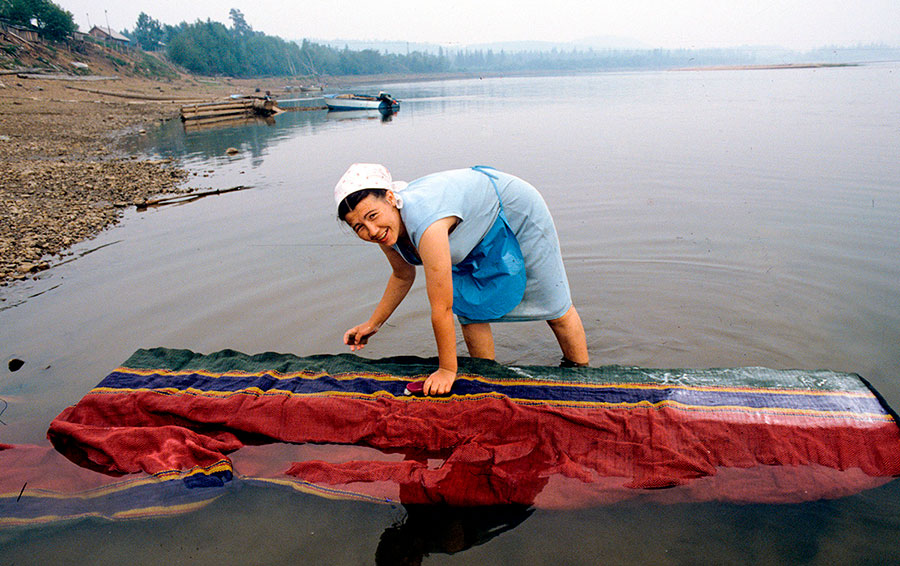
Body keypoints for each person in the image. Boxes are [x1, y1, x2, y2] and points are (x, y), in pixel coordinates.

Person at [335, 163, 588, 396]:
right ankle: (487, 380)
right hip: (465, 227)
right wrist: (374, 323)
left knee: (553, 305)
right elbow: (403, 275)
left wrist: (446, 370)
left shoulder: (427, 224)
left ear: (391, 198)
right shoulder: (383, 231)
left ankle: (581, 374)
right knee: (469, 306)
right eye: (358, 227)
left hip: (509, 207)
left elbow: (441, 308)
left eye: (372, 216)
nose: (372, 231)